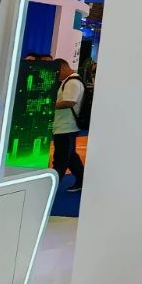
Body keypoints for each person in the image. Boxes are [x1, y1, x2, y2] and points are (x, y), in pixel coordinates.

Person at [52, 57, 86, 193]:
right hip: (66, 126)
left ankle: (52, 187)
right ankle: (82, 180)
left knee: (61, 159)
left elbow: (69, 102)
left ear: (62, 68)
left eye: (57, 72)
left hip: (66, 126)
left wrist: (50, 105)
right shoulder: (71, 81)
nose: (57, 76)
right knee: (70, 157)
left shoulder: (72, 82)